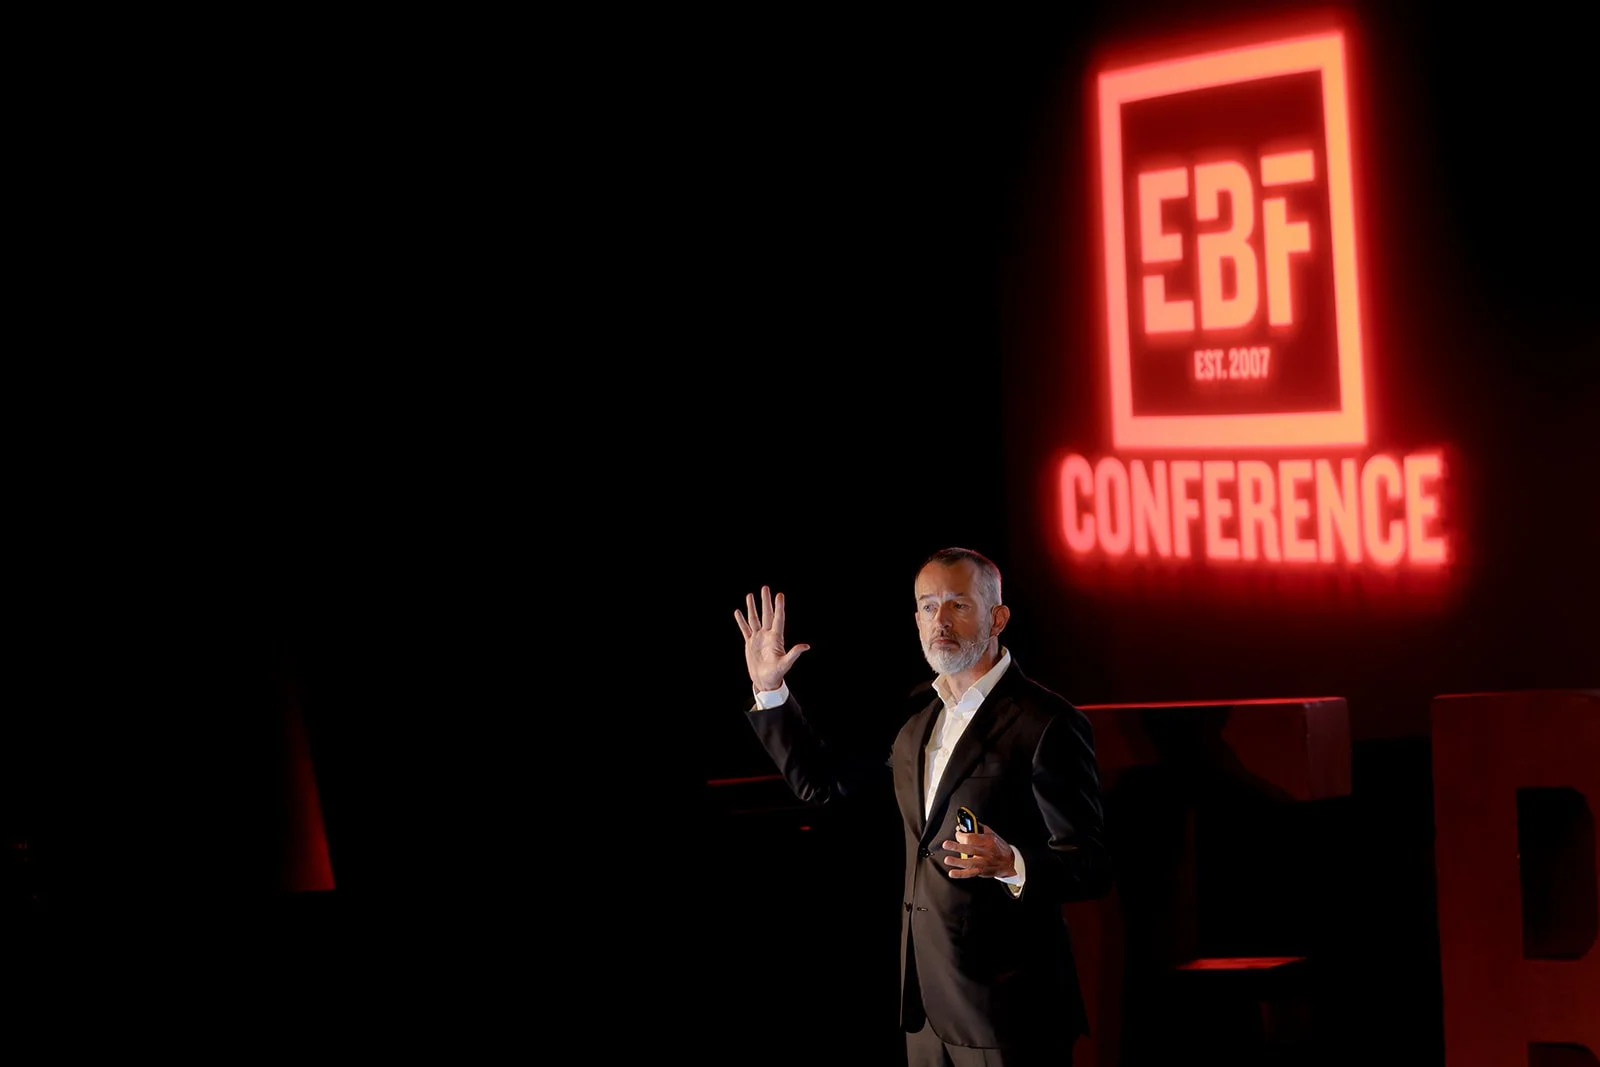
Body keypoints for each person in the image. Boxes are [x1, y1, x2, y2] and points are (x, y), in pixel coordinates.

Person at [733, 546, 1113, 1067]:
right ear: (915, 620)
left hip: (1009, 1013)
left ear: (997, 617)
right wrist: (770, 689)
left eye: (958, 604)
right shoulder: (917, 719)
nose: (941, 620)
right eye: (928, 606)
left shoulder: (1047, 721)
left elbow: (1088, 864)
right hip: (925, 1011)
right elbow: (822, 785)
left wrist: (1013, 863)